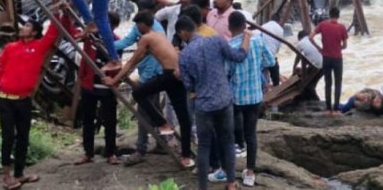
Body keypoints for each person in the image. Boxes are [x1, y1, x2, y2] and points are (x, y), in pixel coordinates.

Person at [0, 9, 74, 190]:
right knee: (8, 136)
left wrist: (58, 11)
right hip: (5, 100)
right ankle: (6, 176)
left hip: (24, 100)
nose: (23, 27)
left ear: (34, 32)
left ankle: (20, 174)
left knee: (23, 137)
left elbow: (52, 32)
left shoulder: (39, 47)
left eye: (27, 26)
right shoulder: (10, 48)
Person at [104, 12, 194, 167]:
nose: (137, 29)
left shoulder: (146, 38)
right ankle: (186, 156)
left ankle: (162, 123)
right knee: (183, 117)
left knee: (138, 93)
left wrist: (113, 80)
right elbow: (143, 58)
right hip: (178, 75)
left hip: (168, 75)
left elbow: (132, 61)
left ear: (143, 25)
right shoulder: (159, 34)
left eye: (137, 25)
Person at [176, 15, 249, 190]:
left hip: (203, 104)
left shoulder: (184, 54)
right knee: (227, 140)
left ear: (183, 32)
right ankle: (231, 183)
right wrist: (246, 37)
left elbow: (188, 85)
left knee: (204, 145)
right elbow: (239, 56)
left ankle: (203, 187)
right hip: (224, 99)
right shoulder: (216, 41)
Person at [113, 0, 164, 166]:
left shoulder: (149, 31)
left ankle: (140, 150)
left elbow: (131, 54)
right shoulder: (150, 26)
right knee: (156, 111)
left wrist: (108, 44)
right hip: (155, 73)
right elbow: (127, 43)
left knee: (144, 112)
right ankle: (161, 143)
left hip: (151, 73)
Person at [227, 11, 274, 187]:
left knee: (230, 132)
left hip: (236, 96)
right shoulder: (257, 40)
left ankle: (228, 168)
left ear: (229, 27)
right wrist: (256, 66)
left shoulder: (230, 45)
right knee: (251, 134)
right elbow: (270, 61)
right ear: (245, 26)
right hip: (255, 95)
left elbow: (226, 72)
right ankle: (250, 173)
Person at [76, 11, 121, 166]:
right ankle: (88, 152)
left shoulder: (116, 42)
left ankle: (111, 152)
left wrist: (115, 81)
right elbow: (74, 34)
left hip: (108, 87)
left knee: (110, 121)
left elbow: (118, 65)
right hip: (89, 85)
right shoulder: (90, 38)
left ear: (114, 26)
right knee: (88, 120)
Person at [310, 7, 349, 114]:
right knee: (338, 83)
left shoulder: (323, 25)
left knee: (328, 83)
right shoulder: (342, 27)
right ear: (338, 15)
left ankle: (328, 108)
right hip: (337, 58)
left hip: (326, 57)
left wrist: (319, 48)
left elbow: (310, 37)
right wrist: (338, 48)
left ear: (329, 14)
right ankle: (336, 109)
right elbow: (345, 45)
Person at [259, 14, 285, 86]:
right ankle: (276, 85)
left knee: (263, 72)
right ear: (279, 21)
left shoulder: (263, 26)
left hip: (261, 54)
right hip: (271, 55)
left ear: (270, 19)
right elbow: (278, 45)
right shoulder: (280, 29)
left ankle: (264, 86)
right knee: (275, 70)